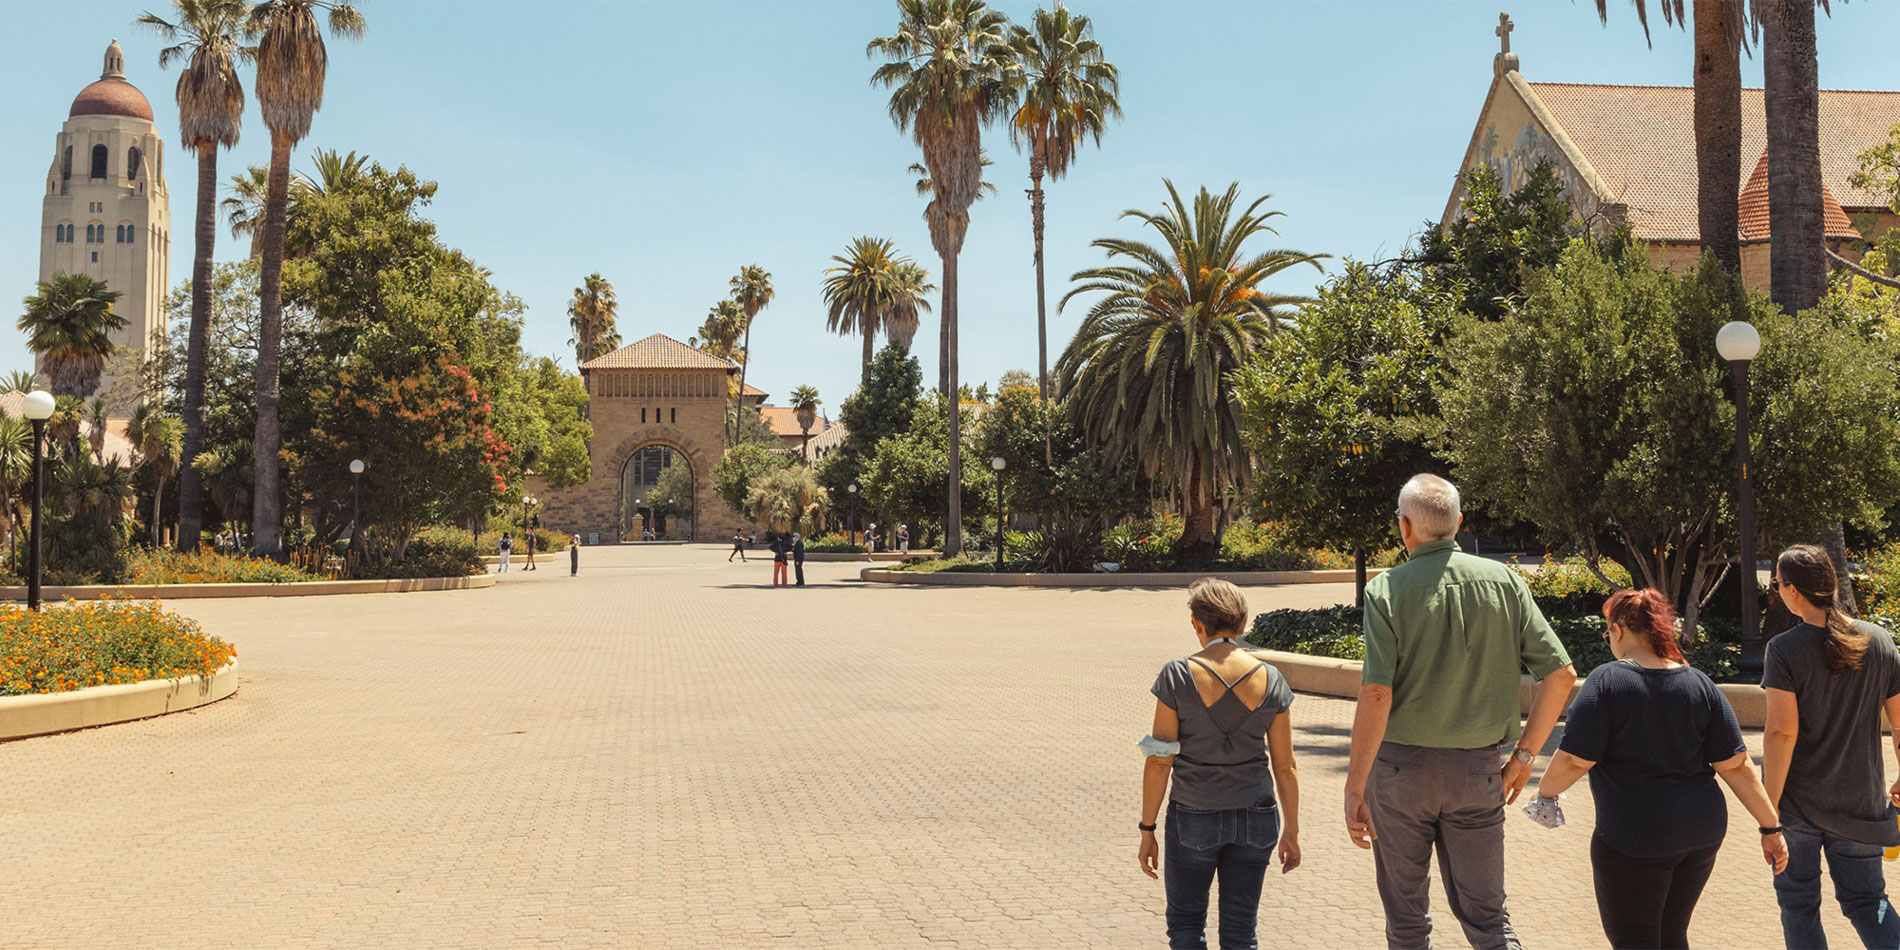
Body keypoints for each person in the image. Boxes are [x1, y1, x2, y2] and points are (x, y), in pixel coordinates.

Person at [1345, 473, 1577, 950]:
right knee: (1490, 921)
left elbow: (1376, 695)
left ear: (1405, 527)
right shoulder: (1506, 582)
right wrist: (1525, 759)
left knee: (1407, 925)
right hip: (1478, 770)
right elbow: (1561, 675)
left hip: (1399, 773)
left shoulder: (1387, 590)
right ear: (1458, 523)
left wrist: (1355, 785)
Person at [1530, 588, 1787, 949]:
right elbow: (1738, 765)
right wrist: (1770, 826)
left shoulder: (1606, 682)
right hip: (1701, 835)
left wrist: (1545, 794)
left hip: (1634, 838)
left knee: (1634, 940)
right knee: (1671, 935)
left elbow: (1575, 759)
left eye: (1608, 633)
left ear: (1618, 630)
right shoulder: (1699, 683)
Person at [1139, 577, 1301, 949]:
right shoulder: (1272, 680)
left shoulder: (1177, 676)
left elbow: (1160, 761)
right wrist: (1291, 829)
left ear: (1197, 623)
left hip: (1194, 815)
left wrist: (1147, 828)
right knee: (1241, 931)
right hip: (1257, 816)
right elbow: (1286, 766)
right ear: (1243, 625)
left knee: (1185, 926)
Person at [1763, 544, 1900, 949]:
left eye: (1777, 584)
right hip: (1862, 806)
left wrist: (1767, 812)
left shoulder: (1785, 649)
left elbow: (1780, 735)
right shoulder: (1879, 640)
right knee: (1868, 902)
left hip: (1798, 808)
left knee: (1799, 905)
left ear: (1792, 590)